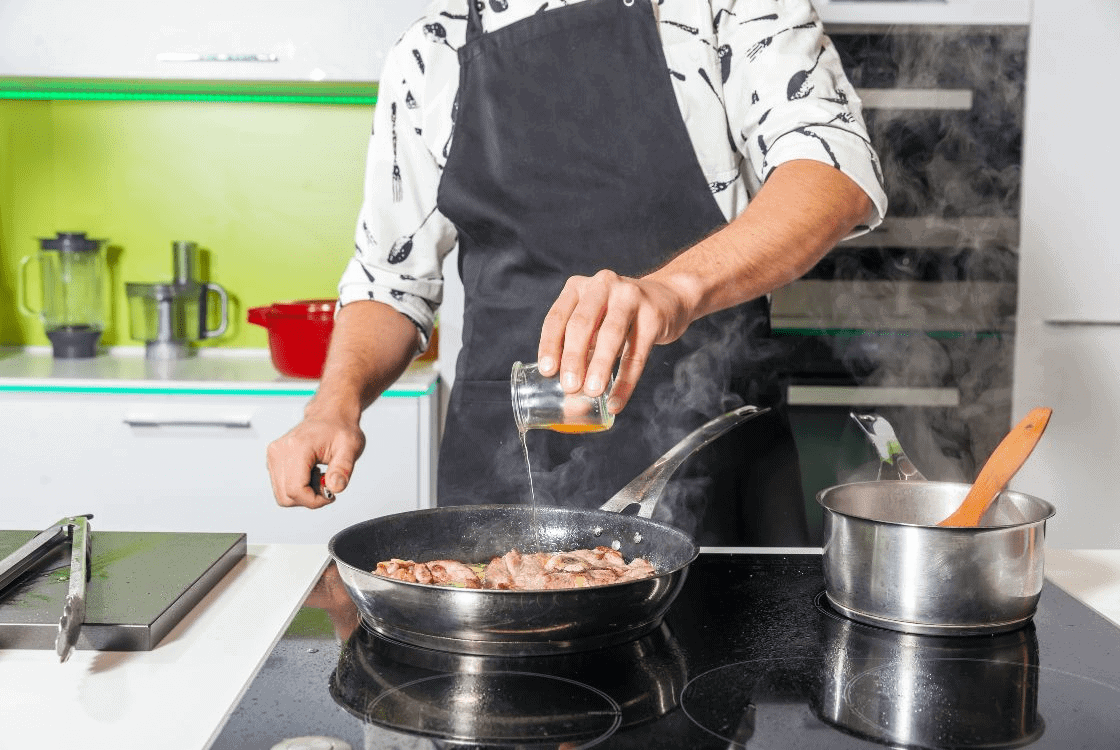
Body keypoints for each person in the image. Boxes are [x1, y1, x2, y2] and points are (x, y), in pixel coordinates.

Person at [267, 0, 887, 546]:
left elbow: (832, 173)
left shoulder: (724, 8)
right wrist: (333, 405)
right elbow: (390, 281)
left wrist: (672, 288)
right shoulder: (431, 53)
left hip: (709, 461)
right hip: (502, 475)